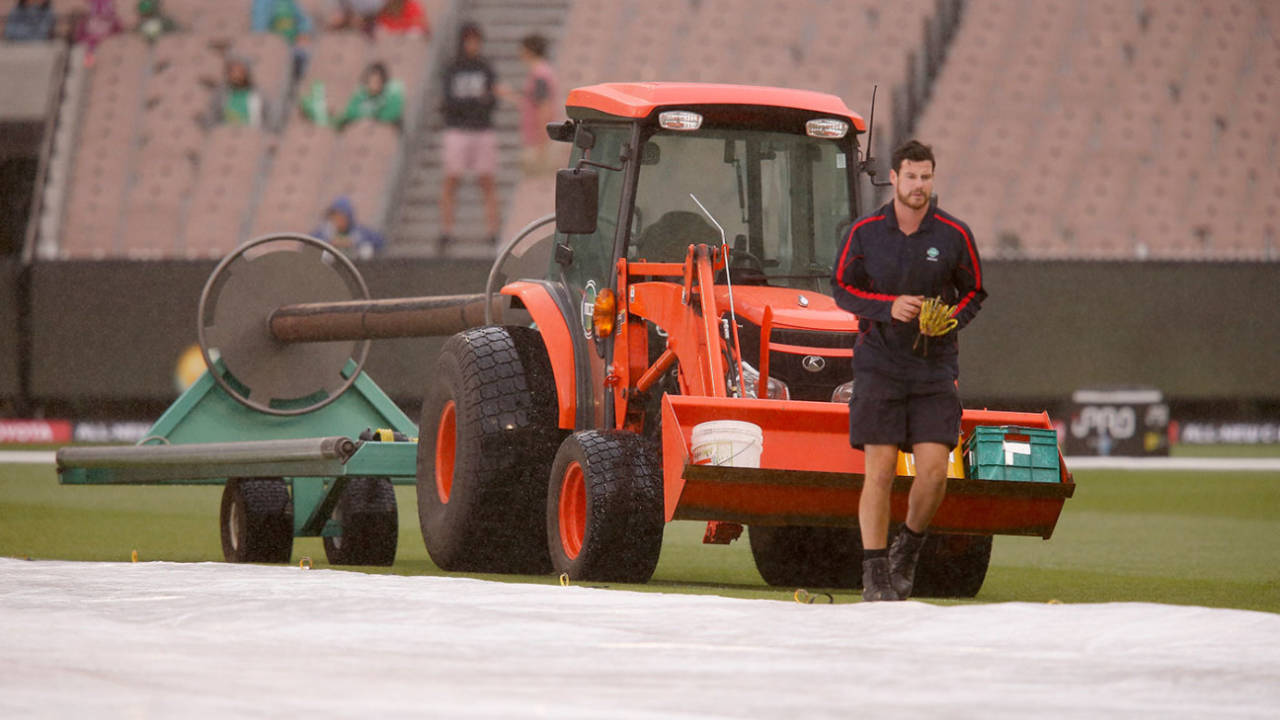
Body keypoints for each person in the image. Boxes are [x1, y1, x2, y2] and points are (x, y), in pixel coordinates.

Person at [830, 139, 986, 602]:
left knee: (935, 471)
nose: (919, 185)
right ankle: (874, 574)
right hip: (879, 363)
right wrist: (887, 306)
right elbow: (840, 287)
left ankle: (908, 548)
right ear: (894, 178)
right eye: (911, 176)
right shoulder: (864, 233)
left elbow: (974, 292)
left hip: (935, 368)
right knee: (878, 471)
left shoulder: (953, 235)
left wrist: (952, 318)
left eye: (927, 176)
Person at [438, 22, 500, 254]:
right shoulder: (452, 68)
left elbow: (493, 100)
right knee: (451, 179)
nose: (473, 45)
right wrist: (476, 102)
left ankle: (492, 230)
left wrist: (474, 103)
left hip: (482, 130)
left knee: (487, 180)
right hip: (458, 129)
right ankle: (447, 230)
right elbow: (448, 103)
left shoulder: (485, 68)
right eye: (469, 40)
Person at [516, 33, 558, 174]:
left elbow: (543, 105)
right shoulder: (541, 72)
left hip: (537, 136)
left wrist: (542, 137)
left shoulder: (540, 74)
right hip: (535, 133)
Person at [250, 0, 313, 79]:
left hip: (292, 46)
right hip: (273, 50)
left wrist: (304, 33)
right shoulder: (262, 3)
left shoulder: (291, 2)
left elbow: (304, 21)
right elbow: (259, 29)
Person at [335, 61, 404, 128]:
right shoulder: (360, 95)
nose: (373, 84)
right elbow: (350, 112)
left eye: (377, 81)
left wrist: (373, 116)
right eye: (371, 81)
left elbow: (391, 115)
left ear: (383, 81)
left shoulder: (392, 95)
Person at [313, 196, 385, 259]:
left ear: (348, 218)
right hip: (330, 271)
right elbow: (310, 242)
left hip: (356, 268)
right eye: (334, 216)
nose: (337, 220)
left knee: (366, 250)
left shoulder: (359, 231)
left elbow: (380, 241)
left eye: (340, 217)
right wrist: (330, 242)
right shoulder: (326, 230)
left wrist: (352, 242)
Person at [202, 55, 265, 128]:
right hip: (226, 134)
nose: (236, 75)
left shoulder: (257, 94)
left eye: (240, 72)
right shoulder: (220, 95)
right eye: (233, 72)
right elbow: (213, 117)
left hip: (250, 134)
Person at [74, 0, 123, 65]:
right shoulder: (87, 15)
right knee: (85, 57)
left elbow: (118, 26)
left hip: (106, 43)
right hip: (90, 43)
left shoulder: (110, 9)